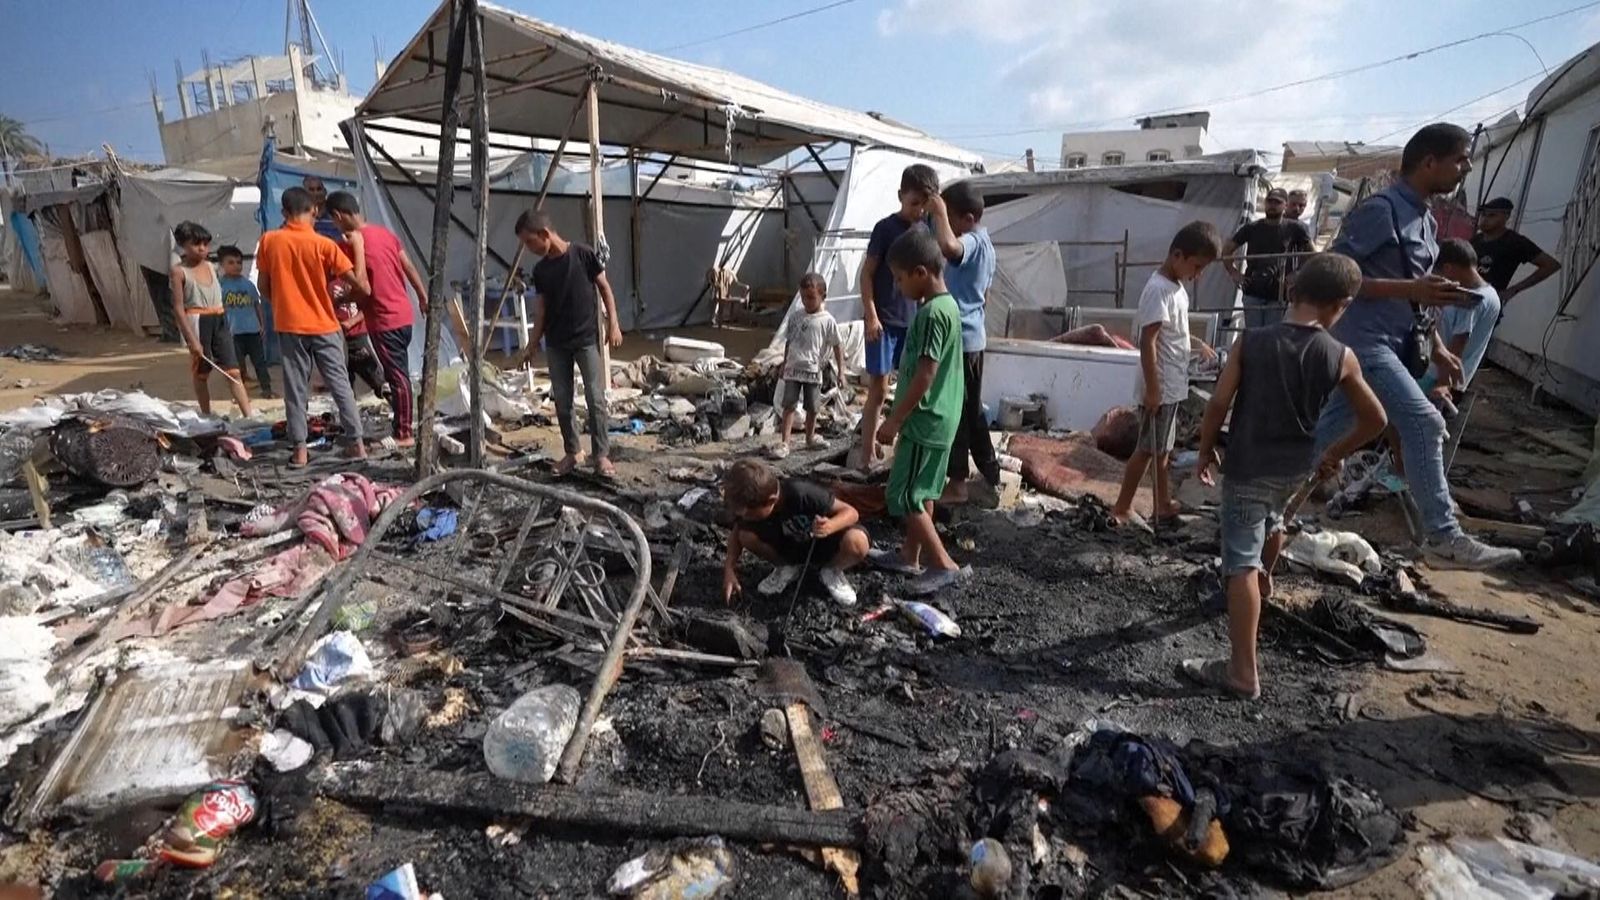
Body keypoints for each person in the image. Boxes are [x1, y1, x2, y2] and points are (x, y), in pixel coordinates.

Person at [1316, 123, 1520, 569]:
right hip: (1363, 344)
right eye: (1461, 159)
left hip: (1396, 344)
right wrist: (1409, 287)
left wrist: (1440, 348)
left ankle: (1257, 502)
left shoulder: (1426, 221)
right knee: (1425, 424)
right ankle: (1445, 537)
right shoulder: (1380, 211)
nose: (1466, 168)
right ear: (1430, 161)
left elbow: (1419, 297)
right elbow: (1332, 273)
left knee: (1324, 436)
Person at [1188, 253, 1387, 699]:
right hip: (1294, 468)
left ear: (1292, 293)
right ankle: (1265, 584)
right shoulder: (1341, 355)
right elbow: (1375, 419)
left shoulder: (1252, 342)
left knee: (1238, 560)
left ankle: (1242, 672)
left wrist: (1204, 449)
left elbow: (1218, 404)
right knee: (1274, 522)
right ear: (1342, 305)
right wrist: (1333, 453)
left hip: (1248, 466)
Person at [868, 229, 969, 596]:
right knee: (923, 490)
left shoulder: (930, 316)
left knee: (906, 494)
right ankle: (910, 555)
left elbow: (925, 373)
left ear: (921, 272)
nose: (897, 287)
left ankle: (943, 564)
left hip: (924, 419)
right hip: (942, 417)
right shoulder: (948, 307)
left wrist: (893, 420)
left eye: (899, 278)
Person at [1110, 222, 1223, 526]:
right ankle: (1121, 507)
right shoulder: (1158, 290)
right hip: (1160, 386)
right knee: (1147, 449)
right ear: (1177, 255)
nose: (1197, 275)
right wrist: (1153, 389)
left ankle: (1162, 503)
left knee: (1162, 448)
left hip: (1172, 385)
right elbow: (1148, 341)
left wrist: (1196, 344)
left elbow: (1172, 332)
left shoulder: (1176, 288)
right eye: (1196, 267)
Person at [257, 186, 369, 466]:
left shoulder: (270, 241)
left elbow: (263, 287)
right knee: (340, 384)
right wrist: (341, 290)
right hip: (325, 324)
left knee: (296, 388)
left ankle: (300, 451)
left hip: (290, 325)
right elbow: (357, 283)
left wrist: (285, 302)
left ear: (284, 212)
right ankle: (357, 444)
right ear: (314, 211)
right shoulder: (324, 245)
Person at [510, 210, 624, 477]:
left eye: (529, 242)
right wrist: (532, 344)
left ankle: (602, 455)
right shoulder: (541, 271)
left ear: (545, 234)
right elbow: (541, 311)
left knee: (595, 399)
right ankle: (573, 452)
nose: (528, 249)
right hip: (557, 344)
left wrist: (613, 323)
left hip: (585, 340)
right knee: (563, 401)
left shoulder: (583, 255)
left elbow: (605, 288)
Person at [325, 191, 426, 447]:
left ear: (338, 216)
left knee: (397, 376)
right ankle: (401, 425)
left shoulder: (354, 243)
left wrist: (336, 301)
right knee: (396, 373)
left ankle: (404, 433)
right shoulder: (385, 234)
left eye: (334, 222)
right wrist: (423, 296)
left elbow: (362, 287)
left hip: (383, 318)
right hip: (403, 313)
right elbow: (409, 267)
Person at [858, 164, 940, 471]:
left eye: (924, 204)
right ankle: (866, 452)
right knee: (878, 388)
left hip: (913, 320)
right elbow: (866, 274)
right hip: (885, 321)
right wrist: (871, 315)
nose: (918, 210)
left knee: (908, 388)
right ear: (900, 197)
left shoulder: (927, 230)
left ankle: (901, 449)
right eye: (914, 203)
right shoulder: (885, 229)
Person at [926, 181, 1000, 506]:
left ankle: (957, 483)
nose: (948, 226)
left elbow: (949, 248)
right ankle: (990, 473)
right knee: (970, 412)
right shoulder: (988, 245)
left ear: (967, 218)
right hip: (971, 338)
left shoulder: (973, 242)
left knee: (955, 413)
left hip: (963, 340)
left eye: (951, 218)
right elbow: (985, 295)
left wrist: (939, 211)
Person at [722, 459, 869, 607]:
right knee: (746, 536)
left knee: (857, 542)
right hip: (789, 547)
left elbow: (851, 512)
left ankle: (831, 570)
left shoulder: (801, 493)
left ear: (771, 500)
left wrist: (830, 525)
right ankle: (787, 567)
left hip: (823, 543)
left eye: (749, 514)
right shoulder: (751, 507)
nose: (745, 517)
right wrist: (729, 569)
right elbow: (737, 531)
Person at [169, 222, 253, 418]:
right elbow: (179, 308)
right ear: (183, 245)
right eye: (196, 244)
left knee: (233, 371)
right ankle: (206, 415)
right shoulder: (179, 271)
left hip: (219, 318)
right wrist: (192, 340)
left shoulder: (211, 266)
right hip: (198, 321)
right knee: (201, 373)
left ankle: (248, 416)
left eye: (205, 244)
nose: (202, 248)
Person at [775, 272, 844, 459]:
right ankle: (784, 442)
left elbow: (837, 345)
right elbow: (790, 341)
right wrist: (784, 361)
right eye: (803, 297)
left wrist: (841, 372)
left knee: (812, 407)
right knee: (788, 405)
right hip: (793, 369)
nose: (807, 301)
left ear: (823, 296)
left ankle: (810, 437)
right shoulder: (795, 317)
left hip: (813, 371)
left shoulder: (827, 320)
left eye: (811, 297)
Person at [1223, 188, 1314, 328]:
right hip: (1253, 290)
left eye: (1277, 202)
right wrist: (1234, 273)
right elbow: (1227, 250)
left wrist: (1297, 274)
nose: (1272, 205)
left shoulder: (1296, 228)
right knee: (1254, 335)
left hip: (1279, 294)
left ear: (1285, 205)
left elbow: (1312, 255)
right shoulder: (1251, 228)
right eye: (1269, 201)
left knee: (1271, 337)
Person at [1422, 238, 1501, 399]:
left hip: (1436, 376)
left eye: (1439, 273)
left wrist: (1443, 383)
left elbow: (1458, 344)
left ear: (1448, 268)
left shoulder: (1471, 300)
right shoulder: (1488, 294)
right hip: (1446, 376)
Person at [1471, 196, 1561, 304]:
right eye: (1483, 214)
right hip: (1463, 301)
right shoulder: (1475, 240)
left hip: (1486, 305)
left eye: (1492, 215)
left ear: (1506, 217)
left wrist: (1514, 290)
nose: (1485, 219)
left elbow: (1551, 265)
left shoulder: (1514, 242)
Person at [217, 244, 273, 399]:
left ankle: (267, 389)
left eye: (239, 262)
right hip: (233, 334)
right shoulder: (220, 286)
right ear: (222, 265)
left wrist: (262, 324)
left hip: (252, 331)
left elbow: (257, 305)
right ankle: (241, 395)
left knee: (260, 363)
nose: (236, 266)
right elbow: (217, 310)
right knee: (237, 366)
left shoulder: (248, 285)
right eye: (231, 262)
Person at [301, 176, 345, 242]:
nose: (316, 193)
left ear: (325, 191)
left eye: (319, 189)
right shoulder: (298, 214)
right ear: (304, 193)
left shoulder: (337, 214)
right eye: (311, 190)